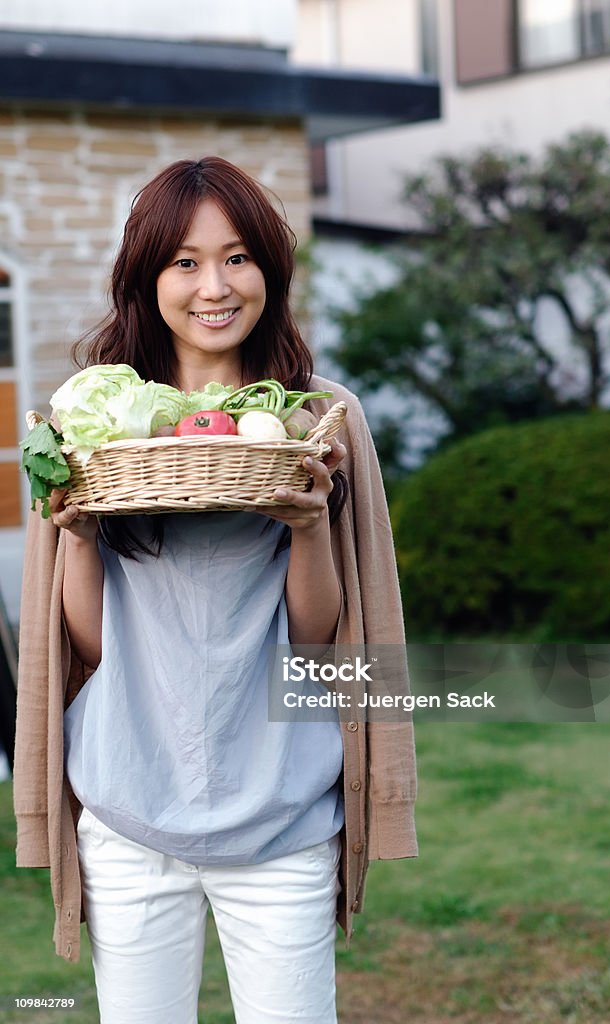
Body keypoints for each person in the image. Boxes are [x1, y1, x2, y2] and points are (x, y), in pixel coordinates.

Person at [13, 156, 418, 1024]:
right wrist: (78, 537)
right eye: (184, 262)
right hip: (129, 815)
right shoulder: (92, 419)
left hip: (280, 819)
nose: (214, 287)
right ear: (145, 278)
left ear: (270, 270)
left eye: (237, 257)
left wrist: (309, 524)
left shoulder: (319, 418)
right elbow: (88, 646)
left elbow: (321, 646)